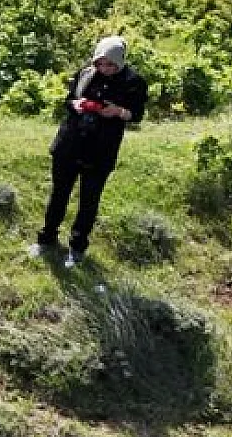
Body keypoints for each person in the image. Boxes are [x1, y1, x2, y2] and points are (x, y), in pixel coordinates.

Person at [31, 35, 148, 268]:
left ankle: (77, 248)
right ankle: (47, 239)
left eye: (110, 65)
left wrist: (117, 112)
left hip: (101, 149)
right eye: (100, 63)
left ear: (120, 62)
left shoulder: (134, 82)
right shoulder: (85, 74)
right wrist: (76, 105)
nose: (104, 69)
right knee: (58, 194)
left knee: (89, 201)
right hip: (70, 144)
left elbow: (136, 114)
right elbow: (68, 100)